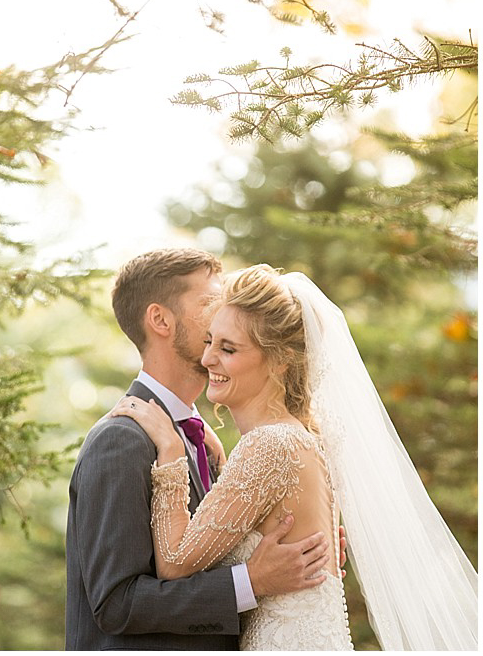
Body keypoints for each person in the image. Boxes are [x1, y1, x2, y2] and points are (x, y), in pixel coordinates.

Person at [110, 264, 477, 649]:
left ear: (281, 360)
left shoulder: (270, 447)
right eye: (209, 342)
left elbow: (172, 561)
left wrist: (171, 454)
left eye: (228, 348)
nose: (207, 360)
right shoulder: (300, 438)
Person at [64, 248, 336, 649]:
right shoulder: (121, 441)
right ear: (160, 320)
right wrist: (251, 581)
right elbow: (116, 606)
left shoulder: (206, 441)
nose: (223, 310)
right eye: (210, 301)